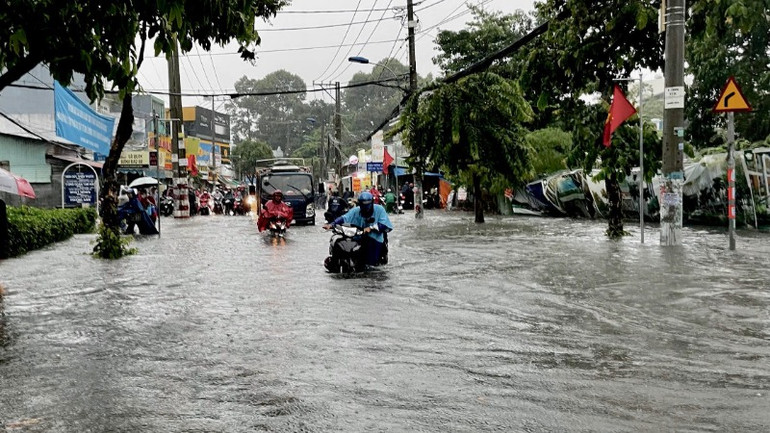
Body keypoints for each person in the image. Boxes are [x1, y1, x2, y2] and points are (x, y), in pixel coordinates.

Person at [323, 191, 392, 267]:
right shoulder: (356, 211)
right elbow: (344, 218)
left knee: (372, 264)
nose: (366, 208)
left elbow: (385, 224)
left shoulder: (379, 209)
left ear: (372, 202)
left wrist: (371, 228)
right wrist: (332, 224)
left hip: (374, 239)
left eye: (367, 205)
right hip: (358, 237)